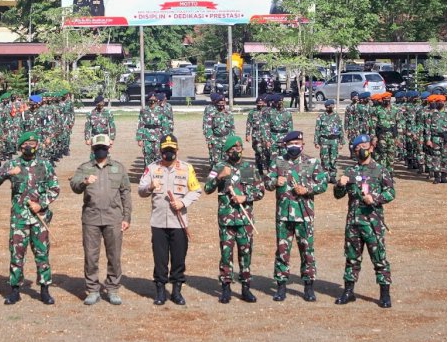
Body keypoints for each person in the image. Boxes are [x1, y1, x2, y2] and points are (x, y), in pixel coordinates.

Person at [0, 132, 60, 305]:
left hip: (39, 218)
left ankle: (44, 289)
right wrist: (8, 172)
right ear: (21, 146)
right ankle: (15, 290)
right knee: (17, 254)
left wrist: (41, 203)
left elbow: (55, 188)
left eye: (33, 143)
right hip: (19, 218)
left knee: (42, 253)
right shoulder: (13, 163)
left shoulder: (45, 165)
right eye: (27, 143)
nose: (30, 146)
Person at [138, 134, 201, 306]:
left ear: (177, 150)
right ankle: (160, 291)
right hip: (158, 222)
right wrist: (150, 187)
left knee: (179, 258)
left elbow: (196, 190)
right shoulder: (152, 168)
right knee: (160, 259)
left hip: (179, 222)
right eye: (165, 150)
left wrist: (183, 202)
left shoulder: (186, 168)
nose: (168, 153)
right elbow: (141, 190)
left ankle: (176, 291)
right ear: (160, 150)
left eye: (171, 150)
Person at [70, 134, 132, 306]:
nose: (100, 150)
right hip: (91, 218)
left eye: (103, 147)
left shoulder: (118, 168)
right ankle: (92, 289)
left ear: (109, 148)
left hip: (114, 218)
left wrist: (127, 217)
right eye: (97, 148)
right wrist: (84, 181)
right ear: (92, 149)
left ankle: (112, 289)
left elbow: (126, 193)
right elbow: (74, 186)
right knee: (91, 255)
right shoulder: (85, 168)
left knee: (114, 255)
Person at [334, 134, 395, 308]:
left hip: (373, 223)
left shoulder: (381, 170)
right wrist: (340, 185)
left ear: (372, 148)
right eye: (358, 148)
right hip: (353, 223)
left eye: (365, 147)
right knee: (352, 258)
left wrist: (375, 198)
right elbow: (338, 196)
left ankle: (385, 294)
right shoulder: (350, 171)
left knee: (379, 258)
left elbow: (391, 193)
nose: (362, 150)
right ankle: (348, 292)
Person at [266, 131, 328, 302]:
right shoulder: (278, 162)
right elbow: (266, 183)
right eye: (292, 143)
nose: (295, 146)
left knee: (307, 251)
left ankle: (308, 286)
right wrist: (274, 182)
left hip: (304, 214)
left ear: (303, 144)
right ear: (286, 145)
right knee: (282, 251)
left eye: (298, 142)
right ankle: (280, 286)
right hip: (284, 215)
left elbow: (323, 183)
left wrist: (308, 189)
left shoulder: (312, 162)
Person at [204, 136, 265, 304]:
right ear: (227, 151)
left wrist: (245, 197)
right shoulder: (219, 167)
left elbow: (260, 191)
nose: (236, 151)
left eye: (239, 148)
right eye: (233, 149)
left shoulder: (249, 168)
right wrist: (219, 178)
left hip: (245, 220)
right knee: (226, 255)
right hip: (227, 220)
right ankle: (225, 288)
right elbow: (207, 188)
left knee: (245, 254)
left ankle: (246, 287)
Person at [314, 99, 344, 183]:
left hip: (334, 140)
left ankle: (333, 176)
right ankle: (325, 175)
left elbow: (341, 129)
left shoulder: (337, 117)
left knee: (334, 158)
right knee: (324, 158)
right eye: (329, 106)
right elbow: (317, 129)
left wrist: (342, 142)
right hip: (324, 140)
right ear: (326, 107)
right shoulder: (321, 117)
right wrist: (316, 142)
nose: (331, 107)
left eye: (332, 106)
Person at [245, 95, 271, 175]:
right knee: (258, 152)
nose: (260, 104)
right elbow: (249, 123)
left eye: (261, 103)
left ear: (264, 103)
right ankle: (259, 170)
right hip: (256, 136)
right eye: (258, 103)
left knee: (268, 152)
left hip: (267, 136)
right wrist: (247, 134)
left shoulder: (269, 111)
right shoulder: (252, 112)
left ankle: (269, 169)